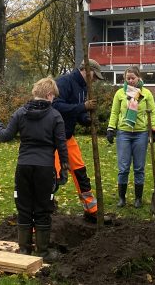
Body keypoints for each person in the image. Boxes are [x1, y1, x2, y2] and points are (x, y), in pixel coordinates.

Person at [0, 77, 68, 263]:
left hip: (23, 167)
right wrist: (64, 170)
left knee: (24, 208)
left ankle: (24, 250)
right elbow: (61, 146)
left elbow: (5, 136)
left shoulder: (20, 113)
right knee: (42, 209)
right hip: (45, 170)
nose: (53, 99)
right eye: (53, 96)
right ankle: (43, 252)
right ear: (48, 95)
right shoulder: (55, 116)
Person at [52, 59, 103, 222]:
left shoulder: (83, 88)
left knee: (80, 172)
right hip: (53, 137)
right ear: (87, 71)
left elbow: (77, 113)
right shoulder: (64, 82)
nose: (95, 80)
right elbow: (56, 106)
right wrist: (83, 107)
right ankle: (45, 208)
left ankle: (91, 211)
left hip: (68, 136)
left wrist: (87, 120)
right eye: (95, 76)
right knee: (52, 176)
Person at [107, 65, 155, 208]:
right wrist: (111, 128)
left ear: (138, 78)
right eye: (127, 78)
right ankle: (122, 198)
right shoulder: (120, 94)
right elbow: (115, 112)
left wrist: (153, 129)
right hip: (123, 133)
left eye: (132, 78)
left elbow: (152, 112)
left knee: (139, 168)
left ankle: (138, 199)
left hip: (141, 133)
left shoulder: (146, 93)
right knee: (123, 168)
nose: (130, 81)